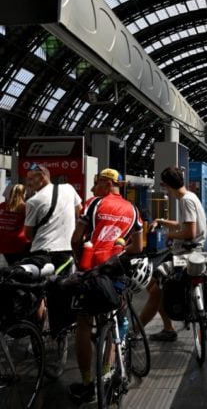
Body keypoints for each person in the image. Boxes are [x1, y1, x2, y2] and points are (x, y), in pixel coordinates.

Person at [67, 168, 144, 404]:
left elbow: (76, 238)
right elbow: (138, 247)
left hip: (92, 271)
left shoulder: (95, 204)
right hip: (116, 271)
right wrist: (119, 248)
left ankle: (89, 381)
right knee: (115, 320)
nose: (92, 189)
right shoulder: (133, 210)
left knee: (83, 322)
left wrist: (81, 262)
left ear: (106, 183)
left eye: (96, 183)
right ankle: (108, 372)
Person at [139, 166, 207, 342]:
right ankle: (167, 327)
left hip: (185, 253)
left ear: (167, 185)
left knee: (154, 289)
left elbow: (190, 232)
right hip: (188, 251)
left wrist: (167, 235)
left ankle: (137, 331)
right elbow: (184, 225)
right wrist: (162, 221)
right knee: (155, 288)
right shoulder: (191, 196)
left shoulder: (185, 200)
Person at [24, 163, 82, 275]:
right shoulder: (69, 188)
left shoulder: (33, 201)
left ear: (42, 178)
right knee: (63, 287)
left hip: (41, 253)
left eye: (31, 179)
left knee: (39, 288)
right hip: (67, 250)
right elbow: (80, 211)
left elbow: (28, 233)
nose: (28, 183)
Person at [0, 183, 30, 264]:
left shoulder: (2, 206)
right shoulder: (26, 208)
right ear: (23, 194)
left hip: (3, 243)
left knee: (11, 265)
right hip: (20, 244)